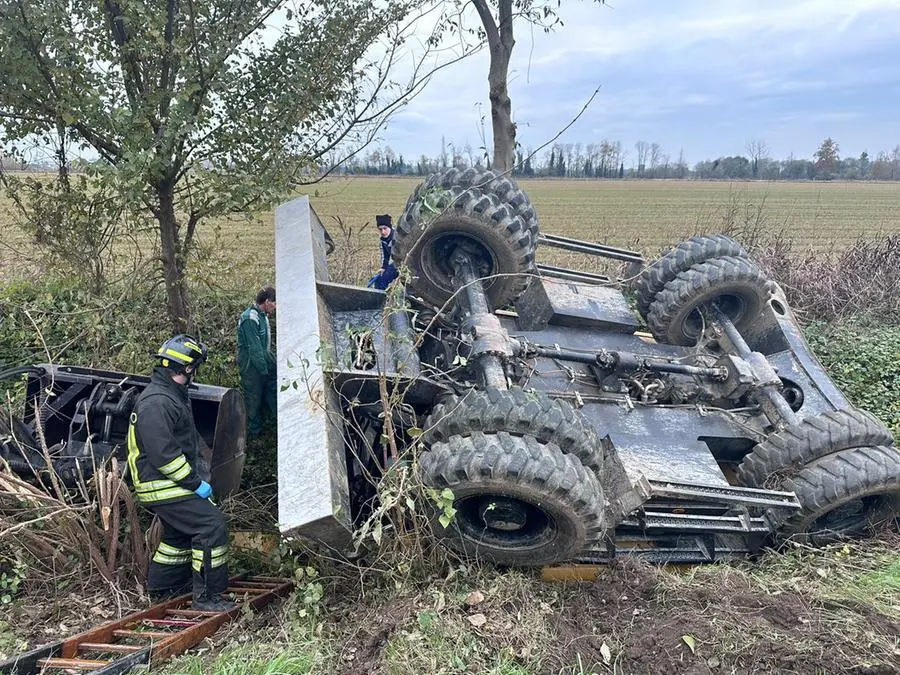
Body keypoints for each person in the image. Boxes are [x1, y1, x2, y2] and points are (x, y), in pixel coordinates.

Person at [127, 334, 235, 611]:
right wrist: (195, 483)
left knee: (177, 535)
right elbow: (164, 455)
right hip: (162, 484)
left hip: (165, 483)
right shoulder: (157, 402)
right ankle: (208, 597)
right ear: (185, 369)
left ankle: (164, 586)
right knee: (210, 526)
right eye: (194, 368)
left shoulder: (169, 396)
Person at [237, 286, 277, 438]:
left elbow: (265, 347)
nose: (275, 306)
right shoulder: (250, 318)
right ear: (267, 301)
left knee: (271, 394)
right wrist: (263, 370)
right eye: (274, 302)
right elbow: (255, 349)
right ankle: (254, 435)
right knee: (253, 399)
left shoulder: (263, 316)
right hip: (251, 367)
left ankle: (276, 428)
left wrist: (272, 363)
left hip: (263, 364)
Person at [370, 214, 399, 290]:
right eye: (380, 229)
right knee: (380, 280)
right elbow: (385, 255)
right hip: (395, 264)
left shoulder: (397, 237)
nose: (383, 232)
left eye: (385, 228)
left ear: (390, 227)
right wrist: (383, 267)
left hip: (403, 263)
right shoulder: (382, 241)